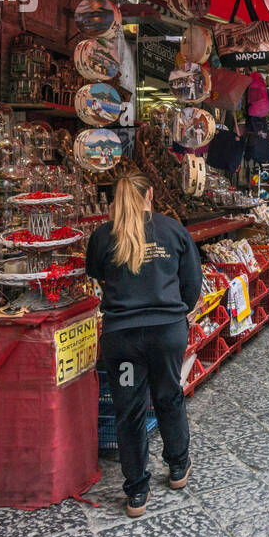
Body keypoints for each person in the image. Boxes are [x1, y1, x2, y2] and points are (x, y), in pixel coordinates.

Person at [85, 174, 201, 517]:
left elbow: (95, 274)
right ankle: (178, 467)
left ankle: (137, 491)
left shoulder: (103, 236)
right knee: (168, 397)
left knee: (129, 411)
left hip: (121, 340)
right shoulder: (172, 230)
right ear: (150, 194)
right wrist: (176, 311)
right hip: (166, 334)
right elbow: (191, 284)